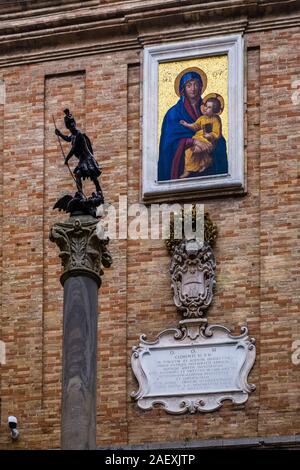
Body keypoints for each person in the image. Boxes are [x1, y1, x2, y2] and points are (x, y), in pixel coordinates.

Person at [157, 68, 228, 181]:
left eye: (196, 84)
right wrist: (193, 141)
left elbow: (218, 136)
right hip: (183, 168)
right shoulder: (174, 113)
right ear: (183, 89)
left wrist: (212, 142)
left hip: (208, 171)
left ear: (201, 87)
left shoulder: (210, 110)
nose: (193, 89)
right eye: (189, 85)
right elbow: (168, 143)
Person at [55, 109, 102, 195]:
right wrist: (60, 134)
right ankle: (80, 193)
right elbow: (68, 139)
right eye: (70, 124)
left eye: (73, 123)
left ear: (75, 123)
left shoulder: (78, 134)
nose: (72, 125)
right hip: (82, 159)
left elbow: (73, 149)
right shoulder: (73, 135)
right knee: (77, 174)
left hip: (87, 158)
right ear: (68, 126)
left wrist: (67, 159)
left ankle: (99, 190)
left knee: (93, 175)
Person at [179, 96, 223, 179]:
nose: (206, 108)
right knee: (188, 151)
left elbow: (217, 133)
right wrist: (186, 124)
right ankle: (189, 169)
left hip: (208, 141)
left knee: (197, 150)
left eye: (209, 107)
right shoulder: (202, 118)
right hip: (198, 138)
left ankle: (204, 162)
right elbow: (195, 126)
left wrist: (210, 135)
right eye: (206, 106)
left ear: (215, 110)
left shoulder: (215, 120)